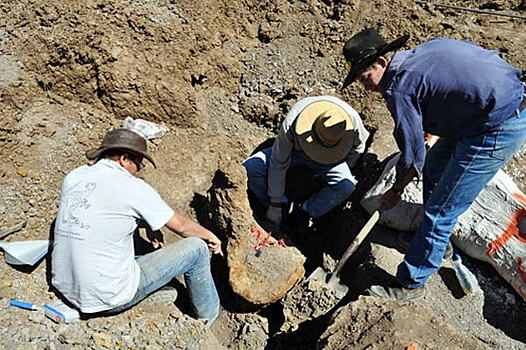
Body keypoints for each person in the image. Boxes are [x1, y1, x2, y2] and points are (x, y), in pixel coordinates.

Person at [341, 28, 526, 301]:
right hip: (480, 113)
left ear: (381, 62)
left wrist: (396, 191)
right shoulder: (422, 52)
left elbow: (413, 157)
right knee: (434, 168)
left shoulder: (398, 89)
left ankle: (410, 284)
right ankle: (437, 246)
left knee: (441, 210)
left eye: (364, 76)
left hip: (496, 125)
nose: (364, 85)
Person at [51, 128, 222, 323]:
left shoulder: (74, 177)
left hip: (65, 288)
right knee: (197, 248)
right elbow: (182, 227)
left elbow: (108, 212)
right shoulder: (133, 187)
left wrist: (149, 223)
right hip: (109, 298)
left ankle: (157, 293)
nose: (137, 171)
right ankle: (208, 317)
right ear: (124, 158)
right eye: (138, 165)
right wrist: (210, 236)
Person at [242, 95, 369, 237]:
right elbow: (278, 163)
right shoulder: (293, 122)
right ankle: (284, 206)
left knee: (346, 186)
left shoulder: (351, 122)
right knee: (250, 168)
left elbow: (358, 148)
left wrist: (341, 164)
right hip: (296, 153)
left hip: (329, 159)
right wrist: (275, 204)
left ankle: (305, 212)